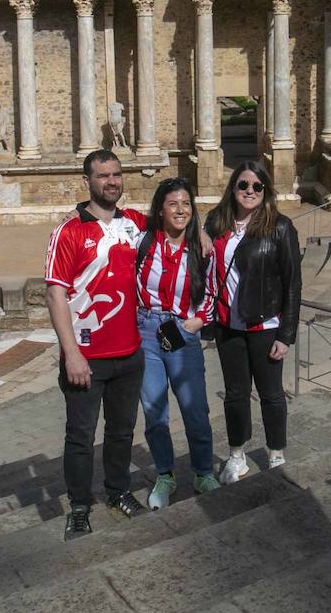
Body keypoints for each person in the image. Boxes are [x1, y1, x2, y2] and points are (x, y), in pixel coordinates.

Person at [44, 149, 148, 539]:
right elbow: (55, 294)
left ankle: (118, 491)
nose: (112, 182)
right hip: (86, 358)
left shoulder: (135, 223)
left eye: (116, 174)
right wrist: (72, 353)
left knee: (122, 432)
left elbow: (178, 225)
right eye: (103, 176)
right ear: (86, 180)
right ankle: (79, 506)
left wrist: (201, 231)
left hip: (129, 352)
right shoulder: (68, 231)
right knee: (81, 437)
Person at [203, 161, 301, 484]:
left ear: (265, 191)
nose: (249, 191)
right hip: (227, 326)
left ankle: (275, 454)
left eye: (257, 186)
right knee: (235, 394)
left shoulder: (281, 227)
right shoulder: (216, 224)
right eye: (243, 185)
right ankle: (237, 455)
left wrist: (286, 335)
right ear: (233, 187)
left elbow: (292, 284)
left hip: (265, 326)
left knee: (271, 393)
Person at [135, 176, 221, 508]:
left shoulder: (201, 248)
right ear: (159, 210)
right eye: (172, 203)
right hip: (146, 331)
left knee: (194, 408)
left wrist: (194, 324)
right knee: (154, 411)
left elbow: (211, 293)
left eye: (186, 203)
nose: (180, 210)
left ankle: (202, 471)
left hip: (182, 332)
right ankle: (165, 475)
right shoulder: (142, 240)